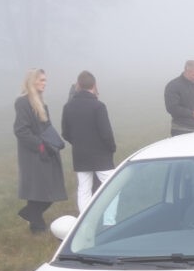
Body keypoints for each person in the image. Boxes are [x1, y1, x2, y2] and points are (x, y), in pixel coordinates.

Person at [13, 68, 67, 233]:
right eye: (42, 80)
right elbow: (21, 130)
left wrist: (54, 143)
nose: (45, 83)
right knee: (39, 191)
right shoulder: (22, 102)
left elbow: (46, 127)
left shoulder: (41, 103)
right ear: (32, 81)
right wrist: (40, 146)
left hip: (45, 152)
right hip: (33, 154)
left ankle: (30, 216)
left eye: (45, 80)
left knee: (47, 191)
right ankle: (37, 227)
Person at [61, 70, 117, 212]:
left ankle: (85, 222)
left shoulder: (68, 107)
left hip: (80, 154)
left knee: (84, 189)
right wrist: (111, 148)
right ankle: (109, 220)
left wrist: (79, 143)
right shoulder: (98, 106)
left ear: (78, 85)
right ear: (94, 85)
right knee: (111, 187)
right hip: (101, 155)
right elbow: (106, 133)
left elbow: (65, 133)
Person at [165, 59, 194, 136]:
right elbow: (172, 108)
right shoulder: (173, 86)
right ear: (186, 71)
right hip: (181, 129)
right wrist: (192, 114)